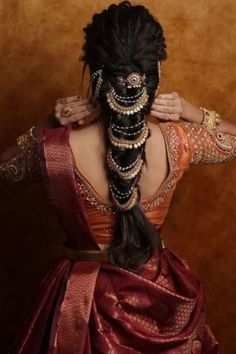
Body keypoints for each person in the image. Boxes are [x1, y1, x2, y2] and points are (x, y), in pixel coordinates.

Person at [1, 2, 236, 353]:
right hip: (160, 295)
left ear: (96, 76)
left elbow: (6, 168)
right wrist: (191, 111)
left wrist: (49, 123)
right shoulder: (178, 141)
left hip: (81, 306)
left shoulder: (56, 149)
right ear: (152, 73)